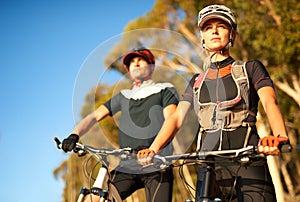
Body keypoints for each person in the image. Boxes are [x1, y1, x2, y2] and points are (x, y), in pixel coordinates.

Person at [138, 4, 290, 202]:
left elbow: (270, 102)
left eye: (222, 26)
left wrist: (279, 137)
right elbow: (176, 118)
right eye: (208, 28)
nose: (215, 31)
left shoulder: (250, 68)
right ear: (202, 37)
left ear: (232, 35)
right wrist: (153, 148)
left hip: (248, 160)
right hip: (208, 166)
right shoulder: (195, 82)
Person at [61, 48, 178, 202]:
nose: (135, 64)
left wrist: (153, 149)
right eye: (132, 63)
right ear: (128, 71)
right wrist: (74, 135)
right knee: (93, 199)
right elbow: (94, 116)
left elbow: (172, 119)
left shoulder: (164, 89)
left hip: (157, 163)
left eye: (140, 60)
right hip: (127, 165)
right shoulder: (123, 96)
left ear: (151, 67)